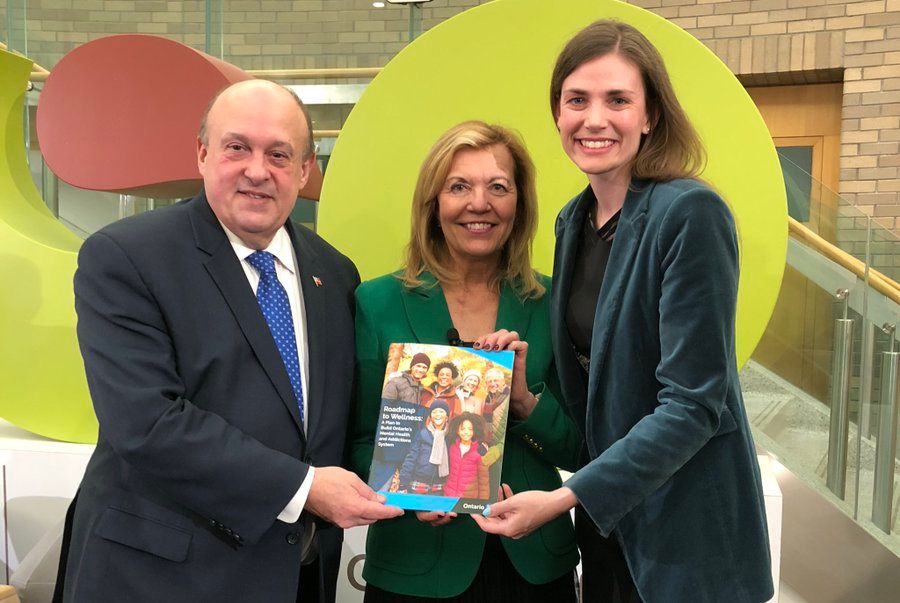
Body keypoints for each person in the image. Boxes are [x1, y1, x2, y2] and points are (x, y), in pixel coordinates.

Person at [59, 80, 402, 602]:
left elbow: (338, 420)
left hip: (293, 576)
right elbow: (146, 423)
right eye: (237, 147)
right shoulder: (127, 257)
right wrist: (305, 488)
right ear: (202, 153)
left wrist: (426, 488)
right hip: (161, 578)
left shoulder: (334, 273)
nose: (258, 171)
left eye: (279, 154)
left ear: (306, 170)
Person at [473, 20, 774, 603]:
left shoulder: (689, 213)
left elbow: (692, 405)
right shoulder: (571, 221)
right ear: (557, 114)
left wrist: (563, 499)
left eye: (618, 100)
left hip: (685, 536)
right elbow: (600, 393)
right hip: (609, 530)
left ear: (650, 114)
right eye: (576, 100)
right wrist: (525, 394)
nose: (594, 119)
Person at [350, 121, 582, 601]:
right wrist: (404, 495)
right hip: (415, 564)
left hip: (533, 564)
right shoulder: (376, 303)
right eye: (459, 187)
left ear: (519, 204)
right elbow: (353, 440)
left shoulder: (553, 302)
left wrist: (523, 403)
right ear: (434, 203)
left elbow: (583, 449)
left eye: (498, 187)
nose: (480, 204)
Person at [397, 400, 452, 494]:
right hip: (419, 483)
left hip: (438, 487)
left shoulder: (449, 437)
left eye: (441, 411)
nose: (438, 414)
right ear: (430, 417)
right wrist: (403, 484)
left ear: (447, 417)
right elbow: (411, 458)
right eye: (434, 412)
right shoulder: (422, 434)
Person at [443, 412, 491, 500]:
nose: (466, 432)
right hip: (449, 496)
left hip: (468, 499)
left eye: (470, 429)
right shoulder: (452, 447)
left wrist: (482, 503)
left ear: (474, 431)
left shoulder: (480, 451)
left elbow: (483, 481)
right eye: (463, 429)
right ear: (457, 430)